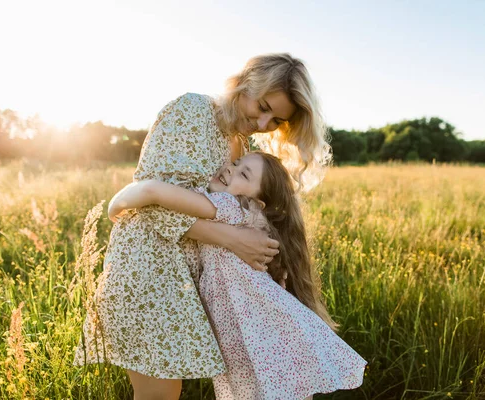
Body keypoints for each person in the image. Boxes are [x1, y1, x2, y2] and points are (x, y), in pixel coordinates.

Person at [74, 53, 332, 400]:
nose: (263, 122)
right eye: (264, 105)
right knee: (159, 395)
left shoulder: (241, 144)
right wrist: (234, 239)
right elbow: (150, 200)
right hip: (148, 268)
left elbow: (235, 210)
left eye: (277, 120)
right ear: (246, 82)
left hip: (187, 280)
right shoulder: (193, 110)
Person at [107, 151, 367, 400]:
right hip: (252, 330)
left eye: (244, 175)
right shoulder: (249, 214)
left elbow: (154, 192)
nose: (231, 169)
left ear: (257, 201)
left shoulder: (232, 206)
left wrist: (117, 202)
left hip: (253, 328)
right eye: (237, 162)